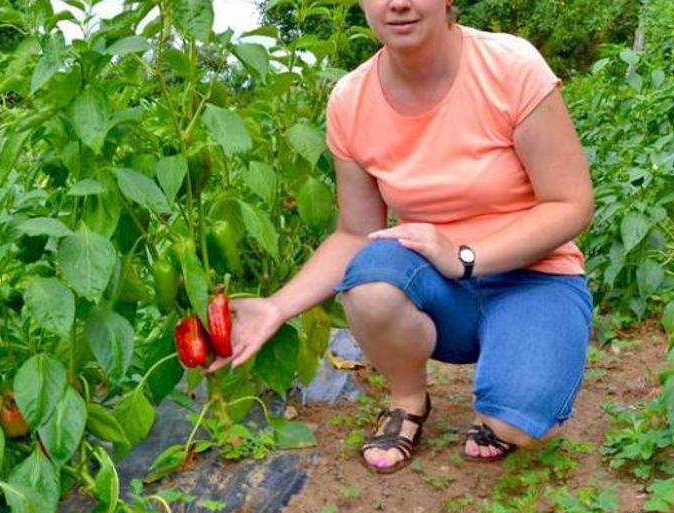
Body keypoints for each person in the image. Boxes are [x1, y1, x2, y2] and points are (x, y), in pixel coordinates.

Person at [208, 0, 595, 473]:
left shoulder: (509, 66)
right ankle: (408, 399)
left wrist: (467, 255)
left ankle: (507, 389)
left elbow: (570, 202)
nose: (399, 4)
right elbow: (354, 233)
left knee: (520, 425)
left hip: (533, 277)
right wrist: (276, 306)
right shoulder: (351, 100)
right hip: (439, 284)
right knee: (370, 281)